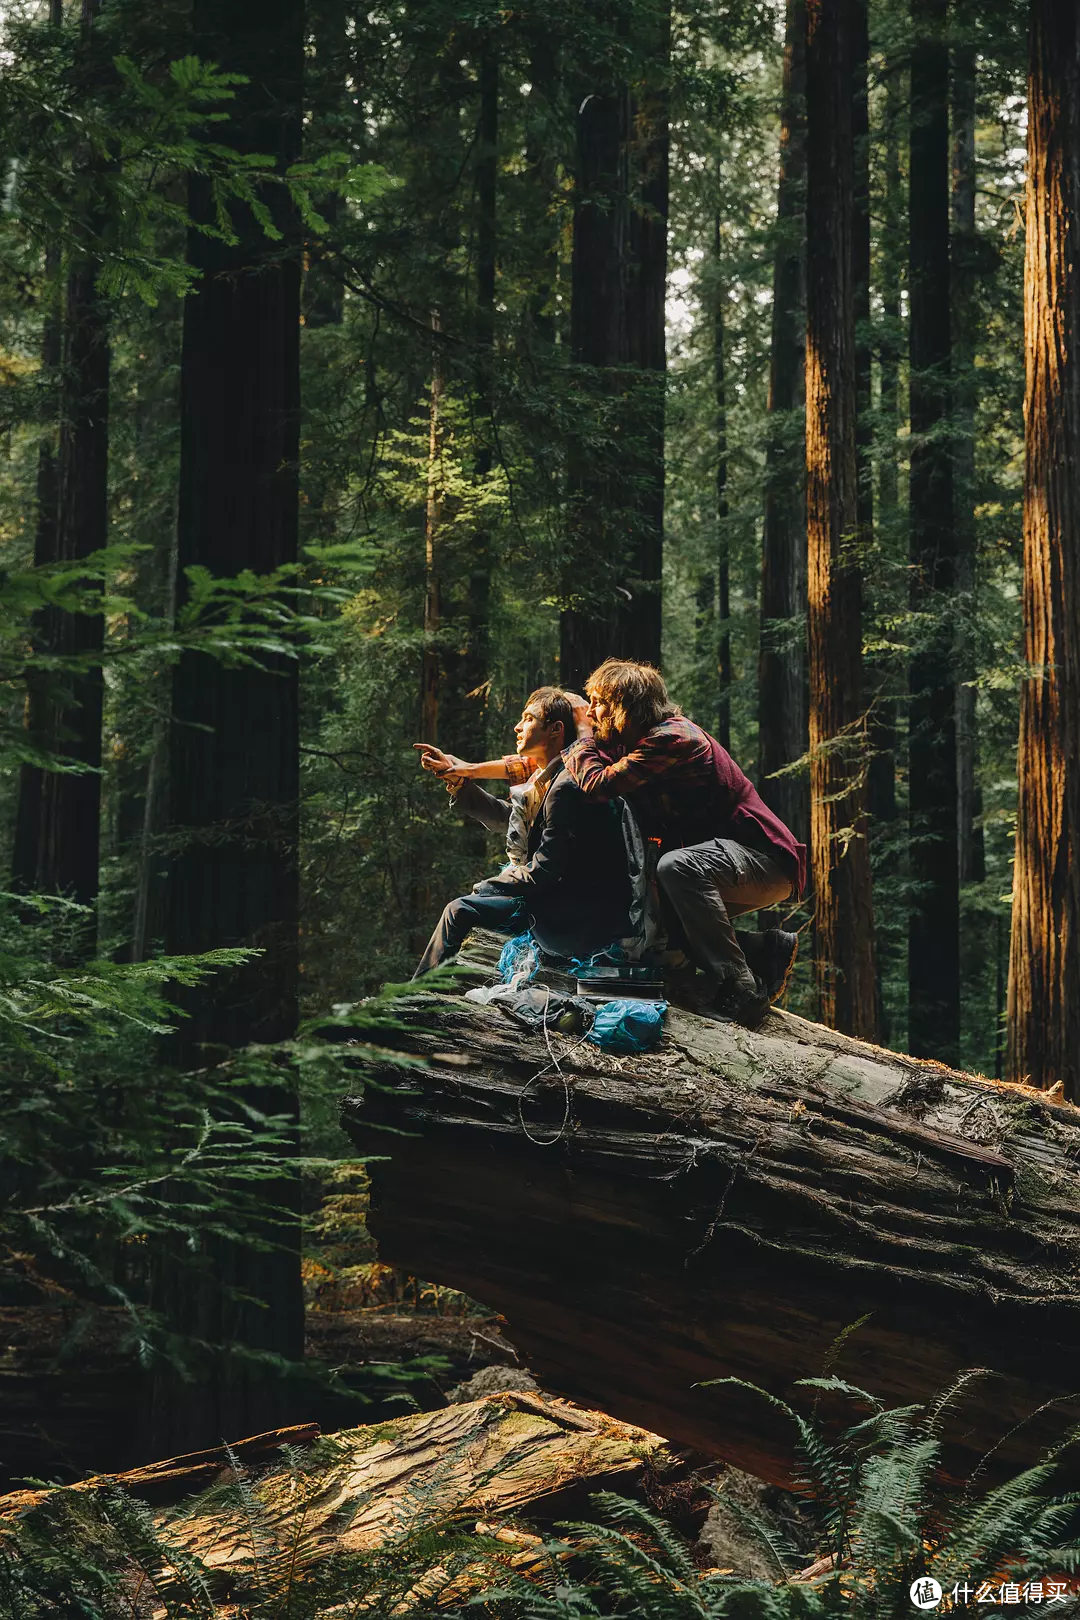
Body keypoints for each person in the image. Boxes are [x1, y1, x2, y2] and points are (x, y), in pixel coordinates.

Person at [560, 659, 806, 1027]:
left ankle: (741, 987)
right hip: (730, 863)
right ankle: (762, 949)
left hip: (765, 859)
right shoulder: (639, 742)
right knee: (656, 919)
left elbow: (599, 783)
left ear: (625, 704)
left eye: (598, 703)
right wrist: (469, 770)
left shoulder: (672, 738)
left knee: (675, 867)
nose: (592, 712)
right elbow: (561, 764)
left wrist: (580, 733)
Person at [411, 687, 631, 977]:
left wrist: (492, 884)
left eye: (528, 718)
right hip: (551, 894)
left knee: (458, 910)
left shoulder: (567, 785)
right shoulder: (544, 775)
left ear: (556, 729)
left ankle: (416, 1002)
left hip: (569, 911)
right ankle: (420, 997)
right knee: (464, 908)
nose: (517, 726)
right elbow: (511, 819)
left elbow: (544, 871)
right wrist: (461, 783)